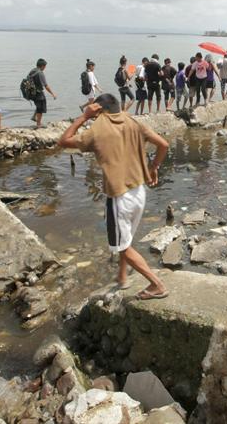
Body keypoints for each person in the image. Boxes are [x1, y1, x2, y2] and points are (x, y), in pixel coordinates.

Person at [58, 94, 169, 300]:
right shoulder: (133, 122)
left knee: (123, 247)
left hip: (119, 197)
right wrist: (154, 167)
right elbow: (163, 145)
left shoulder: (97, 130)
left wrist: (84, 117)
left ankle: (157, 285)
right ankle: (122, 276)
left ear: (99, 110)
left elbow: (63, 141)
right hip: (139, 191)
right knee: (125, 239)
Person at [30, 58, 56, 128]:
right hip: (38, 93)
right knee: (41, 108)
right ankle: (38, 124)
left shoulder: (33, 70)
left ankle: (34, 117)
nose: (45, 68)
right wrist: (53, 94)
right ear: (42, 66)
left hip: (31, 92)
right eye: (45, 66)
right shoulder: (40, 73)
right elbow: (46, 86)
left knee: (38, 105)